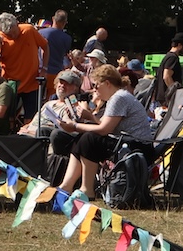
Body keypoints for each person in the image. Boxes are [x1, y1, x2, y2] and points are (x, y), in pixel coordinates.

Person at [55, 64, 154, 202]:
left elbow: (104, 129)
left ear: (107, 83)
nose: (94, 89)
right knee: (83, 137)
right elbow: (104, 124)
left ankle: (87, 189)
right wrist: (88, 117)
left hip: (137, 147)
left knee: (89, 139)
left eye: (96, 85)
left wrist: (75, 126)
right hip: (129, 143)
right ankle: (67, 185)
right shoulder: (118, 96)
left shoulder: (119, 98)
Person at [0, 12, 49, 120]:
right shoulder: (0, 38)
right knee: (7, 119)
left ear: (17, 24)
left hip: (32, 83)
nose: (12, 36)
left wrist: (44, 69)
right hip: (10, 85)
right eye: (9, 34)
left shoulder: (29, 30)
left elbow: (45, 46)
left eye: (14, 33)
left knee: (31, 119)